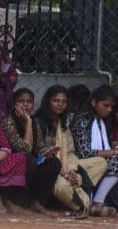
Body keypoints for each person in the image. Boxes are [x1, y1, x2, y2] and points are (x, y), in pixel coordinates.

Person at [75, 85, 118, 217]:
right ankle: (98, 202)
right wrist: (115, 152)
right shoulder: (83, 119)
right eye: (106, 105)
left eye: (111, 106)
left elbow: (104, 145)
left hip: (99, 159)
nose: (109, 110)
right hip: (83, 162)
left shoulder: (103, 120)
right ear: (93, 102)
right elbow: (84, 152)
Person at [35, 84, 93, 215]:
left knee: (100, 163)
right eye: (56, 101)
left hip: (66, 165)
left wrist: (71, 170)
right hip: (48, 168)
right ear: (48, 101)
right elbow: (38, 152)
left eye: (63, 102)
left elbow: (70, 152)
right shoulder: (38, 122)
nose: (60, 105)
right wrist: (64, 173)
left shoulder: (62, 124)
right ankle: (81, 206)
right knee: (61, 187)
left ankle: (75, 185)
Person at [1, 87, 50, 211]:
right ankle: (12, 199)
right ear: (14, 104)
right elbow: (25, 149)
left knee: (53, 163)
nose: (25, 105)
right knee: (28, 160)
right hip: (11, 161)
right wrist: (28, 123)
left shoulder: (34, 121)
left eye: (29, 102)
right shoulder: (8, 122)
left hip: (29, 159)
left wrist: (48, 152)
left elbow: (39, 147)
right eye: (21, 101)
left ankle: (37, 201)